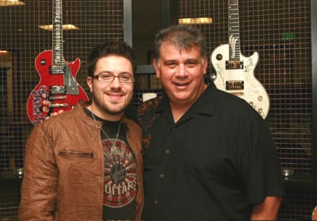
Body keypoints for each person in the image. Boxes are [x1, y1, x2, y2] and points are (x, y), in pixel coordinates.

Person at [136, 25, 285, 220]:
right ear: (157, 68)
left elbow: (269, 197)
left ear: (204, 65)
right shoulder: (144, 116)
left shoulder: (241, 118)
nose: (181, 73)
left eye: (190, 63)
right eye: (171, 64)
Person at [18, 40, 144, 221]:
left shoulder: (135, 131)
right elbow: (34, 212)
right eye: (106, 76)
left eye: (125, 77)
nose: (116, 85)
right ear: (91, 83)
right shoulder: (51, 132)